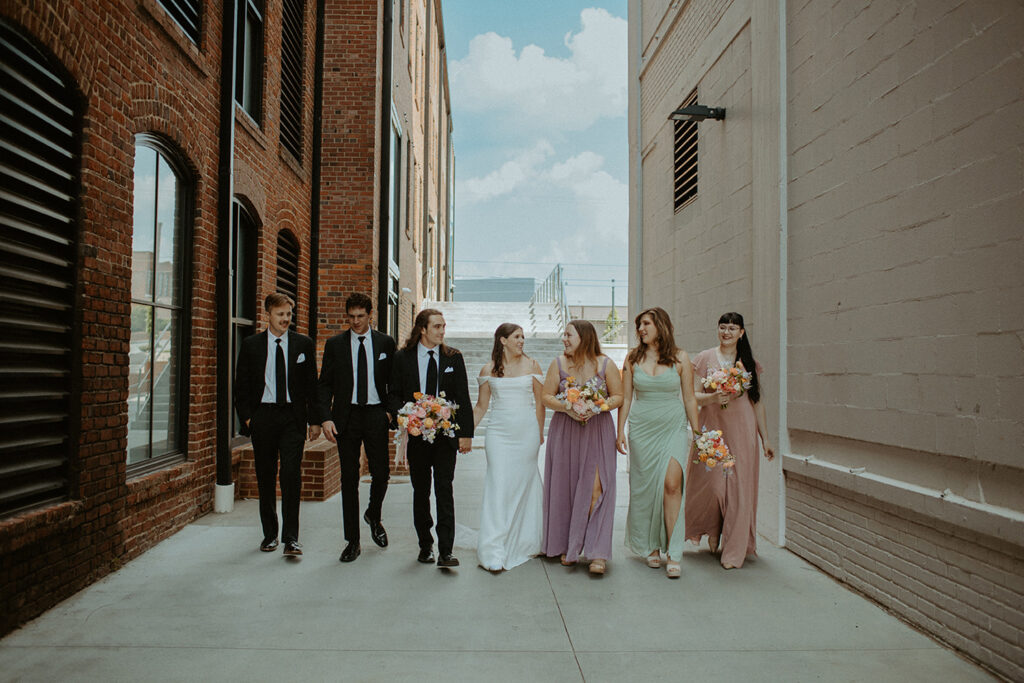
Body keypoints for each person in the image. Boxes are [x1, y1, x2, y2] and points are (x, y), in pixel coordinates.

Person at [684, 312, 775, 569]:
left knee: (738, 488)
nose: (726, 332)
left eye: (732, 328)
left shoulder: (748, 362)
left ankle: (734, 550)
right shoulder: (704, 358)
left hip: (742, 430)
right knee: (713, 485)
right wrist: (714, 398)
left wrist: (765, 438)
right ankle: (712, 529)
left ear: (741, 333)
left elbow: (757, 403)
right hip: (712, 428)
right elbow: (692, 396)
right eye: (722, 327)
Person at [616, 307, 701, 578]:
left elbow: (689, 397)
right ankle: (651, 546)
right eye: (639, 324)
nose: (641, 329)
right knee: (645, 489)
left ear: (661, 326)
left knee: (672, 484)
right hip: (642, 428)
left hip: (672, 426)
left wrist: (697, 431)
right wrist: (620, 431)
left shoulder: (680, 358)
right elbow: (627, 398)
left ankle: (674, 552)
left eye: (646, 324)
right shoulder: (631, 358)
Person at [234, 293, 320, 557]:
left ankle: (291, 538)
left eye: (288, 315)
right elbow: (242, 385)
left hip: (293, 419)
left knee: (292, 476)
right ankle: (270, 535)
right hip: (264, 418)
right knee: (266, 476)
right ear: (268, 315)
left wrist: (314, 420)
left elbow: (311, 387)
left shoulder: (303, 344)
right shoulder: (251, 345)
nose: (285, 319)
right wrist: (250, 419)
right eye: (281, 314)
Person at [388, 309, 473, 568]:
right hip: (417, 436)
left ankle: (446, 551)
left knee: (444, 490)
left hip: (445, 435)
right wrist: (405, 417)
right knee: (421, 491)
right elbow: (392, 394)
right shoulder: (403, 358)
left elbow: (463, 397)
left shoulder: (453, 358)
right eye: (436, 326)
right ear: (422, 329)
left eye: (444, 326)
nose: (442, 331)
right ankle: (425, 545)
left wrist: (466, 434)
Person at [317, 293, 396, 563]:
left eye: (360, 316)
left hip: (376, 414)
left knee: (382, 473)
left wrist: (388, 412)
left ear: (370, 315)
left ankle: (374, 514)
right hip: (346, 417)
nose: (355, 321)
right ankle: (352, 541)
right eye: (351, 317)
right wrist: (325, 417)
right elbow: (324, 383)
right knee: (349, 479)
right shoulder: (335, 344)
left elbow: (394, 383)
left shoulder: (385, 342)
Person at [540, 320, 623, 575]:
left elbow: (618, 396)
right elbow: (546, 397)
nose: (564, 339)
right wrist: (569, 407)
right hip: (566, 431)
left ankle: (598, 552)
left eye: (568, 335)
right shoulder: (558, 364)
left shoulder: (605, 364)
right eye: (563, 334)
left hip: (598, 431)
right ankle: (570, 545)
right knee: (567, 488)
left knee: (598, 488)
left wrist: (595, 406)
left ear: (584, 337)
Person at [472, 323, 545, 571]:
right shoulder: (488, 369)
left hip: (526, 433)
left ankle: (526, 540)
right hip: (499, 435)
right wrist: (463, 433)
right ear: (502, 340)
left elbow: (539, 403)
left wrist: (538, 433)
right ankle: (493, 548)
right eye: (517, 336)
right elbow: (481, 407)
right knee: (499, 485)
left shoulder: (533, 365)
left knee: (524, 484)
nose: (522, 340)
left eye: (523, 336)